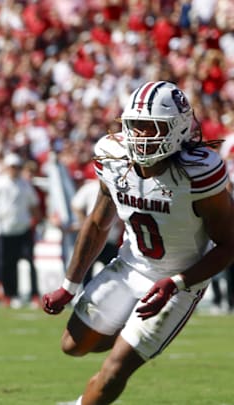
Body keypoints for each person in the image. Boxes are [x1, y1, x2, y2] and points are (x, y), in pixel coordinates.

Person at [42, 81, 234, 405]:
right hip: (130, 266)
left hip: (179, 280)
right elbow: (98, 222)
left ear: (178, 129)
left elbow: (229, 244)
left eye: (151, 127)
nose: (140, 136)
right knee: (72, 345)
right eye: (135, 126)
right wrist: (69, 286)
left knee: (115, 370)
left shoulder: (198, 172)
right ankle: (132, 336)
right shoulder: (113, 157)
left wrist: (177, 282)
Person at [0, 153, 41, 307]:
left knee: (29, 262)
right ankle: (9, 294)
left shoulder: (24, 184)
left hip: (22, 228)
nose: (15, 170)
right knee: (6, 264)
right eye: (13, 167)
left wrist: (38, 220)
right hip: (4, 229)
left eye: (18, 167)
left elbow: (34, 205)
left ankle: (34, 293)